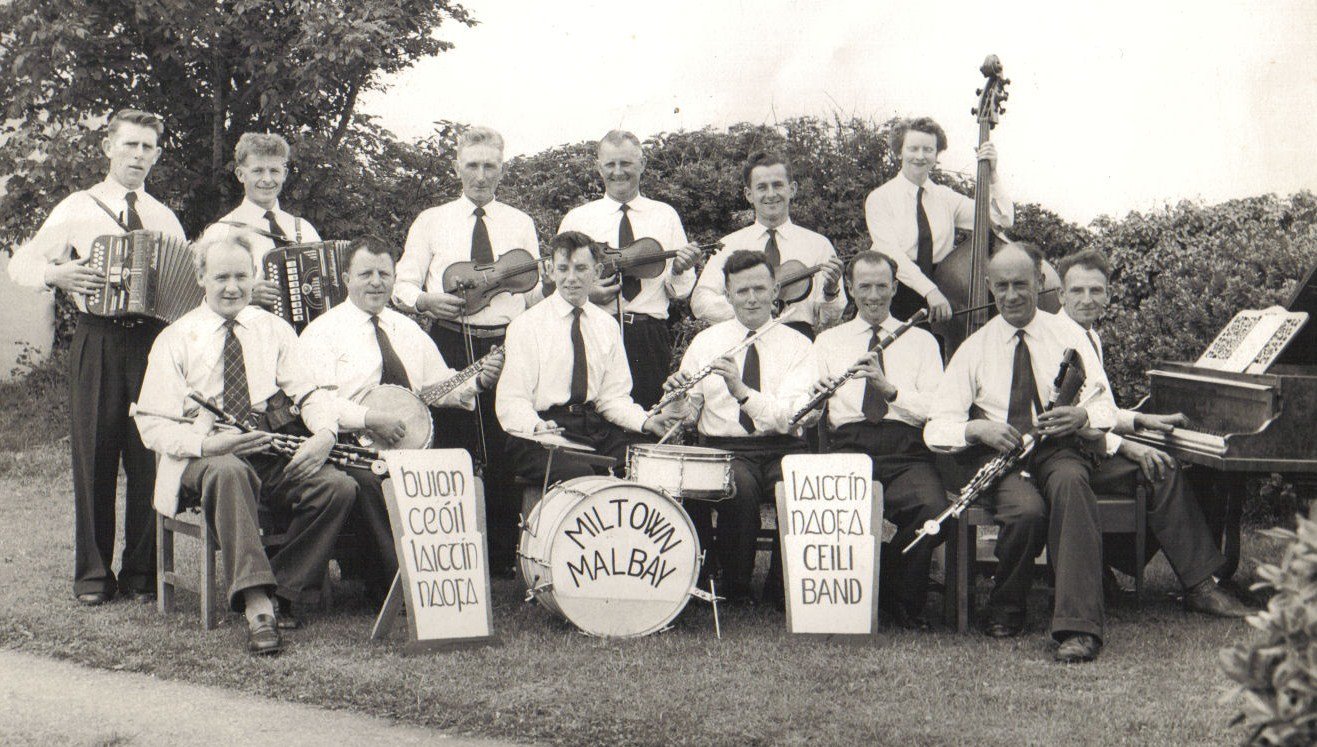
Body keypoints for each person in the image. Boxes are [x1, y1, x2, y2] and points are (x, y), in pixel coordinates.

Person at [134, 230, 358, 654]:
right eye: (221, 277)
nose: (233, 287)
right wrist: (210, 446)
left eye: (241, 276)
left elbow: (309, 394)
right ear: (201, 277)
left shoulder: (274, 329)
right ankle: (257, 607)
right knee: (230, 471)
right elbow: (152, 427)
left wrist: (325, 434)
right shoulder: (175, 338)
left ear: (254, 277)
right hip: (204, 457)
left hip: (267, 452)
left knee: (338, 488)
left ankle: (283, 588)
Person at [7, 109, 186, 605]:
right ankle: (91, 575)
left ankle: (142, 575)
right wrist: (56, 276)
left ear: (157, 154)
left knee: (150, 455)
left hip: (152, 342)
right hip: (98, 337)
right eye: (129, 145)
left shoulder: (164, 216)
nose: (138, 155)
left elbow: (180, 281)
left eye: (148, 147)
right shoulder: (77, 206)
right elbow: (22, 262)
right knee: (94, 454)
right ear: (108, 148)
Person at [924, 243, 1117, 663]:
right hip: (1004, 456)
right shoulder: (975, 346)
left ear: (1042, 283)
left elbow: (1107, 409)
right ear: (991, 287)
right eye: (1002, 287)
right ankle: (1007, 603)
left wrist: (1081, 417)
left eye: (1021, 285)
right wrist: (976, 428)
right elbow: (936, 426)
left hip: (1059, 448)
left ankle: (1079, 629)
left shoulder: (1070, 335)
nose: (1011, 296)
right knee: (1026, 512)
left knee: (1072, 485)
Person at [296, 235, 503, 601]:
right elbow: (321, 402)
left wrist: (476, 381)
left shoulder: (408, 330)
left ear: (394, 278)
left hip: (411, 444)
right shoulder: (322, 332)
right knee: (380, 484)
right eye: (366, 274)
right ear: (346, 278)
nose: (376, 282)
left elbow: (437, 388)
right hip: (352, 446)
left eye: (384, 273)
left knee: (457, 474)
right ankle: (403, 589)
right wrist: (370, 417)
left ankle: (453, 586)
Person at [1056, 249, 1251, 617]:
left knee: (1171, 467)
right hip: (1068, 455)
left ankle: (1118, 570)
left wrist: (1140, 421)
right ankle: (1200, 588)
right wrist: (1129, 447)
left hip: (1087, 446)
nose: (1087, 299)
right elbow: (1072, 419)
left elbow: (1098, 408)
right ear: (1060, 295)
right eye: (1077, 291)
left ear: (1109, 295)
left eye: (1096, 291)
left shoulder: (1087, 335)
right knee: (1164, 470)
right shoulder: (1060, 338)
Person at [392, 126, 539, 574]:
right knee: (452, 447)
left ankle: (499, 564)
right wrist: (425, 301)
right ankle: (451, 560)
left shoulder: (521, 222)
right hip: (449, 340)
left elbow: (531, 294)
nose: (480, 175)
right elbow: (402, 283)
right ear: (457, 166)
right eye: (471, 165)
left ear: (502, 168)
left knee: (504, 446)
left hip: (505, 343)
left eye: (489, 165)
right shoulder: (431, 220)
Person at [663, 250, 816, 604]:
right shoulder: (707, 342)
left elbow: (792, 416)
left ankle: (785, 590)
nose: (751, 298)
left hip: (784, 446)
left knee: (798, 488)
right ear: (728, 295)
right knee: (741, 489)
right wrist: (677, 398)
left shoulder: (799, 345)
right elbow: (688, 416)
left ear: (775, 290)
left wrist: (741, 392)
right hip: (725, 449)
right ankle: (736, 586)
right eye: (742, 291)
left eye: (760, 289)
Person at [809, 251, 947, 628]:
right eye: (864, 286)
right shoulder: (828, 342)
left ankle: (897, 593)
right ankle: (854, 594)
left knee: (936, 513)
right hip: (850, 444)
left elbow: (937, 407)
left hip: (907, 450)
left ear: (895, 288)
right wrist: (816, 398)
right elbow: (809, 412)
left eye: (882, 286)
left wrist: (890, 391)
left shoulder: (921, 342)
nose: (873, 295)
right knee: (836, 514)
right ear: (850, 289)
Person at [497, 231, 676, 485]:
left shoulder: (606, 325)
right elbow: (512, 400)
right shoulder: (526, 325)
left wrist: (645, 422)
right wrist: (537, 426)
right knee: (582, 477)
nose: (571, 278)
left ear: (598, 270)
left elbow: (612, 398)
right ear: (550, 270)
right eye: (563, 268)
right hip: (542, 432)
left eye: (581, 268)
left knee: (650, 464)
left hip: (594, 429)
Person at [557, 129, 702, 408]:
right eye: (610, 164)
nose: (618, 172)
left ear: (642, 164)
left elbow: (678, 292)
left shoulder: (665, 215)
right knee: (595, 417)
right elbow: (559, 286)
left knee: (648, 416)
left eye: (626, 163)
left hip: (648, 336)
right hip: (593, 330)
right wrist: (588, 295)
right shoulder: (578, 218)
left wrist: (681, 269)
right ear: (599, 167)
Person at [865, 116, 1013, 322]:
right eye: (913, 149)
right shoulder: (880, 198)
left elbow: (1001, 220)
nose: (920, 156)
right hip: (896, 291)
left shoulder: (946, 198)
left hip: (943, 292)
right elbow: (891, 254)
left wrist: (993, 174)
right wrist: (929, 291)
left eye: (928, 150)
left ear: (936, 154)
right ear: (899, 151)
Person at [692, 152, 844, 340]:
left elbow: (829, 319)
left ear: (792, 189)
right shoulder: (729, 244)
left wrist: (830, 292)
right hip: (742, 338)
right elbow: (700, 301)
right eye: (762, 187)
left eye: (778, 185)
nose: (771, 194)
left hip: (798, 340)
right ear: (749, 194)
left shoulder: (818, 244)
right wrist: (746, 309)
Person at [200, 132, 322, 309]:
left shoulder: (303, 229)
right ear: (241, 175)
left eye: (274, 171)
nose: (267, 179)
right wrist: (245, 295)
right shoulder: (220, 232)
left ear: (285, 174)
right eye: (258, 171)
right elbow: (202, 303)